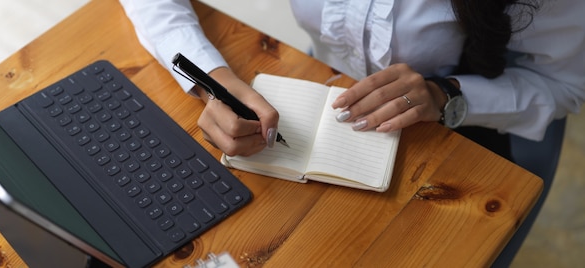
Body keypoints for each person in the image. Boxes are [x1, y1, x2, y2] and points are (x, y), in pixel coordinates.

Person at [119, 0, 585, 265]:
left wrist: (444, 94)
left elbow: (566, 86)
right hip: (319, 86)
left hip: (456, 135)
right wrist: (210, 81)